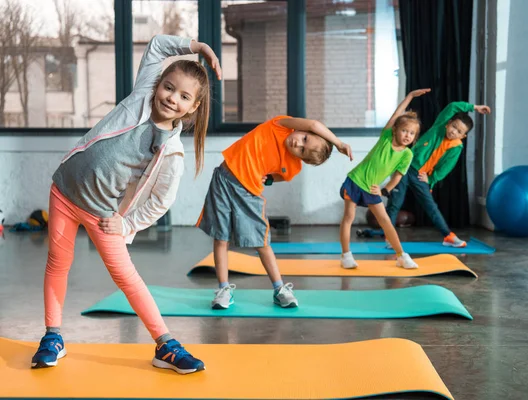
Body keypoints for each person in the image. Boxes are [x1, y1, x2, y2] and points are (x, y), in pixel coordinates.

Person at [31, 34, 222, 375]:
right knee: (58, 263)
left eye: (183, 96)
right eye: (168, 87)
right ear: (157, 84)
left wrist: (128, 223)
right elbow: (157, 47)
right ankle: (52, 337)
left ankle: (166, 345)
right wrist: (198, 47)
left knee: (128, 278)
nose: (171, 98)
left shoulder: (171, 152)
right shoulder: (140, 99)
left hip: (102, 213)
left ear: (193, 107)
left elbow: (161, 201)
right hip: (63, 190)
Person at [196, 116, 353, 309]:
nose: (297, 143)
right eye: (304, 138)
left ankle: (279, 289)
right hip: (223, 179)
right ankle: (223, 289)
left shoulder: (293, 166)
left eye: (302, 151)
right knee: (221, 238)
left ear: (301, 158)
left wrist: (268, 179)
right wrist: (338, 143)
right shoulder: (279, 126)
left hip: (249, 193)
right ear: (304, 130)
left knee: (262, 242)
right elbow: (314, 124)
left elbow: (279, 176)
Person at [339, 89, 431, 270]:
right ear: (395, 130)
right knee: (349, 217)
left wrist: (384, 190)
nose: (407, 135)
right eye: (404, 130)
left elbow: (398, 176)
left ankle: (401, 255)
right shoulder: (386, 138)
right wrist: (410, 97)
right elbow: (397, 115)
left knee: (386, 221)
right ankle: (346, 255)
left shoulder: (407, 154)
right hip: (355, 181)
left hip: (371, 188)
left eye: (411, 133)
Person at [385, 97, 491, 248]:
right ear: (448, 123)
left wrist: (431, 178)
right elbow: (453, 105)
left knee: (431, 206)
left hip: (420, 175)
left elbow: (446, 168)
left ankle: (448, 236)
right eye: (453, 126)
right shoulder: (439, 126)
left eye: (459, 131)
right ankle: (390, 238)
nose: (454, 131)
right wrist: (474, 107)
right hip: (404, 166)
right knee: (395, 202)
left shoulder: (456, 148)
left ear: (463, 136)